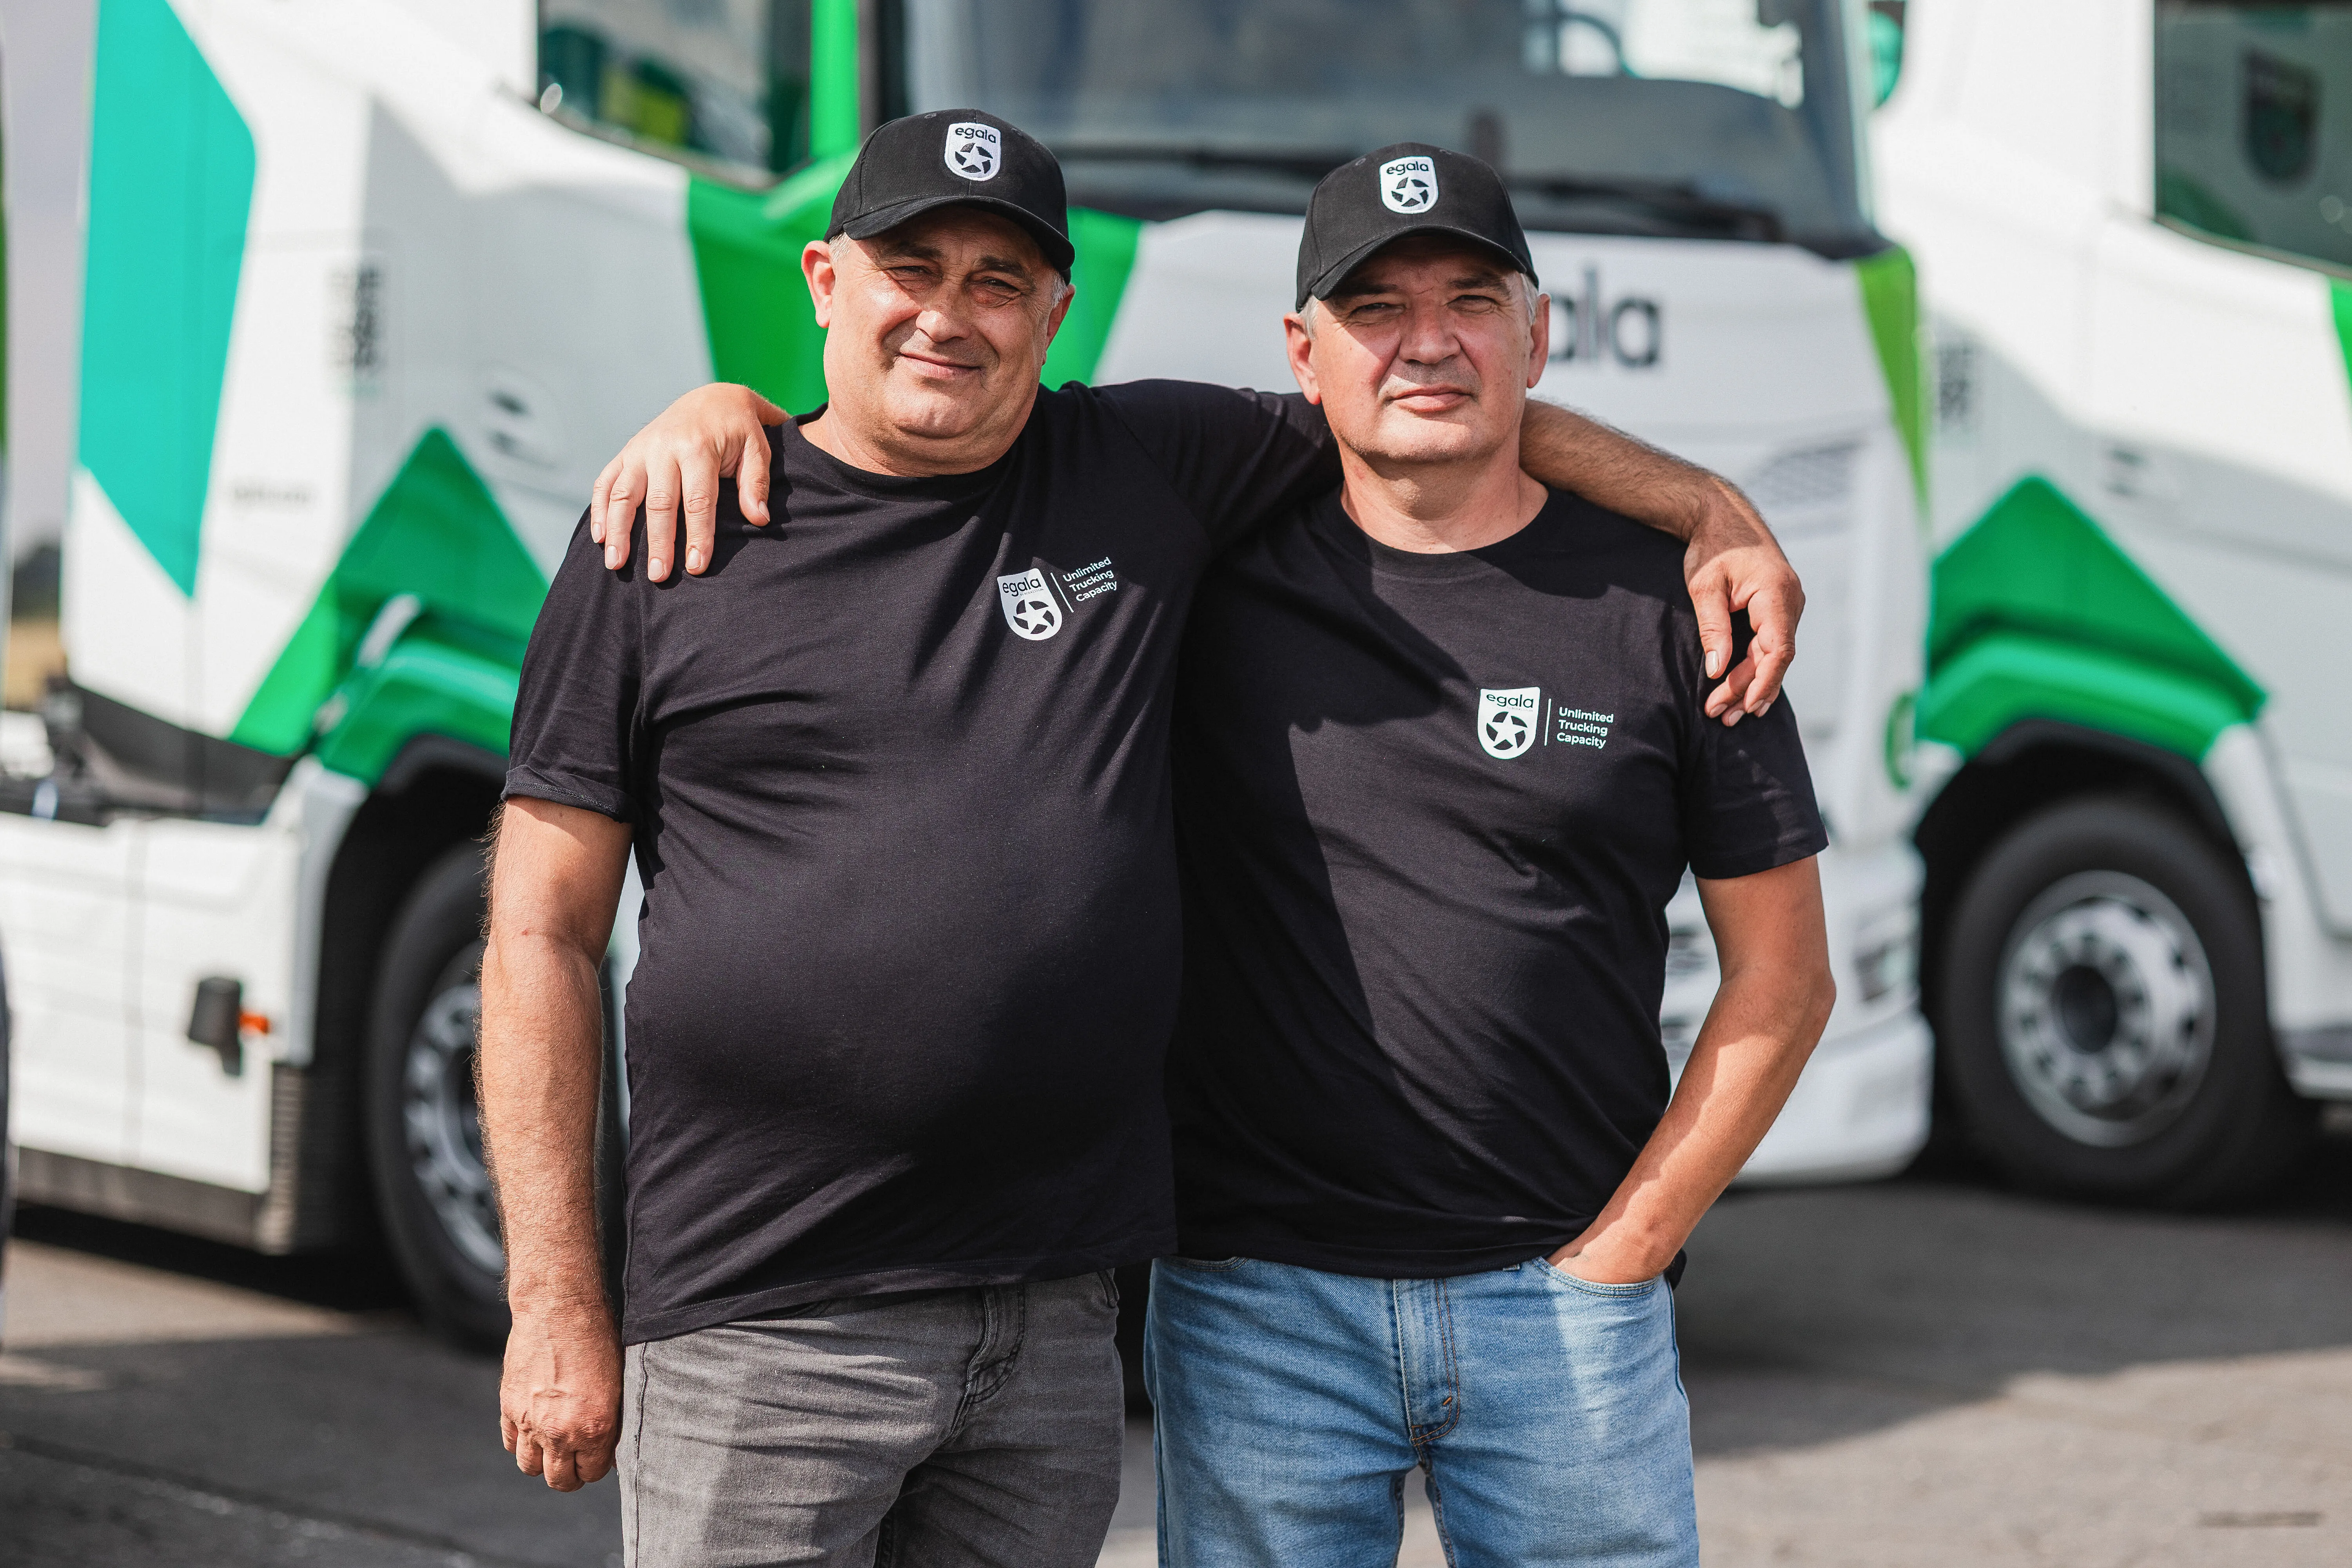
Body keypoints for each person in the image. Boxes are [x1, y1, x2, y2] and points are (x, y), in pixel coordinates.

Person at [485, 111, 1803, 1568]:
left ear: (1056, 313)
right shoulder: (671, 536)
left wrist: (1706, 509)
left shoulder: (1145, 468)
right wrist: (555, 1303)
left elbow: (1421, 415)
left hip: (1053, 1322)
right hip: (765, 1318)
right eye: (909, 268)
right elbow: (539, 929)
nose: (949, 314)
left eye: (999, 282)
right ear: (823, 280)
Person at [1142, 145, 1835, 1567]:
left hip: (1567, 1309)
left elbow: (1785, 980)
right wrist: (724, 412)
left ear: (1537, 333)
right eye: (1376, 307)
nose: (1427, 341)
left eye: (1470, 299)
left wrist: (1624, 1253)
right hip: (1258, 1306)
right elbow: (929, 439)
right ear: (1303, 352)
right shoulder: (1200, 569)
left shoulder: (1671, 605)